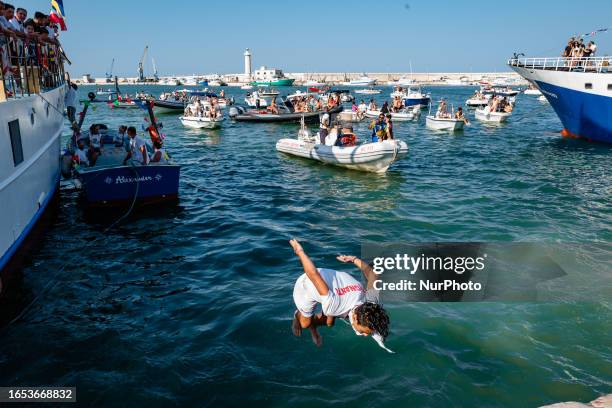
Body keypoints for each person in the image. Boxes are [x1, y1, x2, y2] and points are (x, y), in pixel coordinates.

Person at [289, 239, 392, 352]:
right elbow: (313, 275)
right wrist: (299, 251)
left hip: (335, 284)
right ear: (355, 318)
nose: (366, 335)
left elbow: (372, 275)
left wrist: (353, 259)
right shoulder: (334, 305)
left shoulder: (372, 302)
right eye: (363, 332)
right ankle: (298, 315)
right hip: (306, 285)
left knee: (329, 323)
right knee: (305, 324)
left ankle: (314, 324)